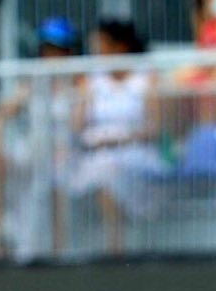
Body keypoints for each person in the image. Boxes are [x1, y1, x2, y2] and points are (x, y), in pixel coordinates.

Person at [63, 18, 164, 257]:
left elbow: (156, 128)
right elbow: (76, 127)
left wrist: (120, 139)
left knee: (109, 171)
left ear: (120, 48)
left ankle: (115, 248)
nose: (97, 53)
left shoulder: (147, 79)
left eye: (102, 46)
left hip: (137, 155)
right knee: (71, 173)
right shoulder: (91, 82)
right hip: (98, 155)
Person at [0, 15, 79, 260]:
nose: (51, 56)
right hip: (34, 154)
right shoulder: (32, 83)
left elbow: (78, 128)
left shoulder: (79, 84)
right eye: (47, 50)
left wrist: (64, 149)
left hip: (68, 155)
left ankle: (59, 253)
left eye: (57, 50)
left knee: (57, 179)